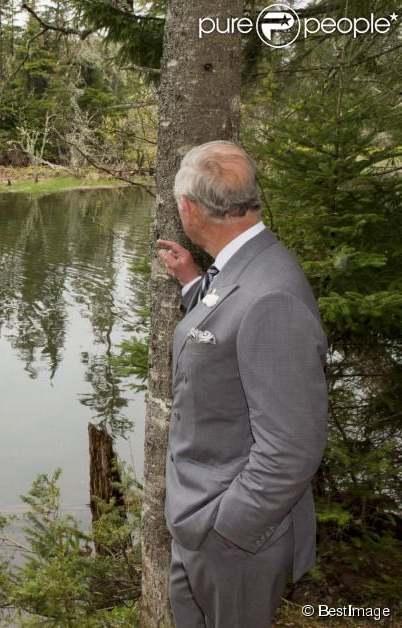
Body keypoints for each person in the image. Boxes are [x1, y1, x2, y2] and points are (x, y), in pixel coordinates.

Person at [156, 141, 327, 627]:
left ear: (188, 209)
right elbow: (227, 335)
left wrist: (228, 530)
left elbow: (292, 448)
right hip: (196, 522)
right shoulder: (237, 266)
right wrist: (192, 284)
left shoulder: (271, 295)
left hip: (232, 540)